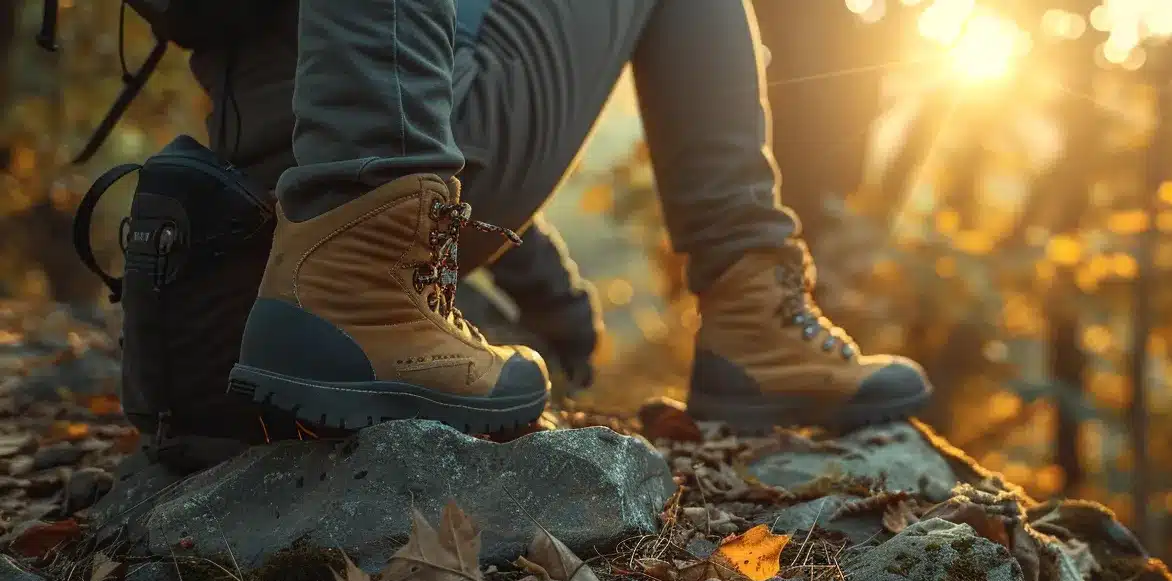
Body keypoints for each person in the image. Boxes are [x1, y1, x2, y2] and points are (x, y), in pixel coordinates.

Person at [184, 0, 933, 434]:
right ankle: (753, 316)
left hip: (243, 181)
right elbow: (406, 106)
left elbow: (387, 98)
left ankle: (360, 272)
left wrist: (554, 298)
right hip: (368, 163)